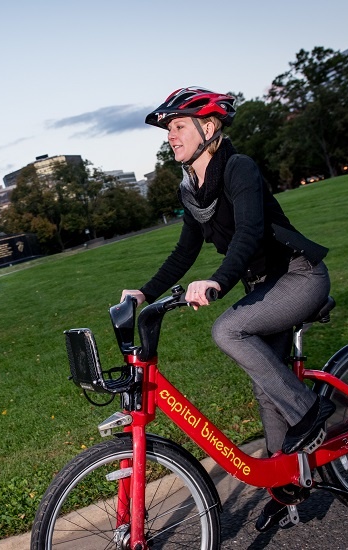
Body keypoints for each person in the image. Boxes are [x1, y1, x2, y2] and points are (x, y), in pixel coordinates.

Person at [120, 87, 336, 531]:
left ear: (209, 128)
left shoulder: (239, 169)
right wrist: (144, 292)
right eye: (169, 130)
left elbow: (250, 233)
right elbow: (184, 252)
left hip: (299, 277)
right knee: (265, 383)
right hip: (266, 286)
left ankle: (312, 412)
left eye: (178, 126)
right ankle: (288, 483)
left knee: (228, 330)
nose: (170, 137)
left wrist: (218, 281)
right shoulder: (191, 189)